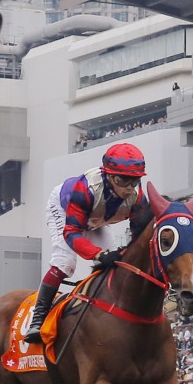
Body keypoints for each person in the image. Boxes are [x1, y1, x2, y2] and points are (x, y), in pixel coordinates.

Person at [24, 143, 147, 343]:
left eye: (134, 181)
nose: (129, 187)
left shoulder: (137, 196)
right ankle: (37, 319)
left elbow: (140, 236)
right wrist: (98, 254)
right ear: (109, 176)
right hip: (65, 210)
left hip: (98, 217)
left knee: (116, 266)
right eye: (122, 180)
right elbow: (72, 233)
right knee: (65, 262)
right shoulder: (85, 189)